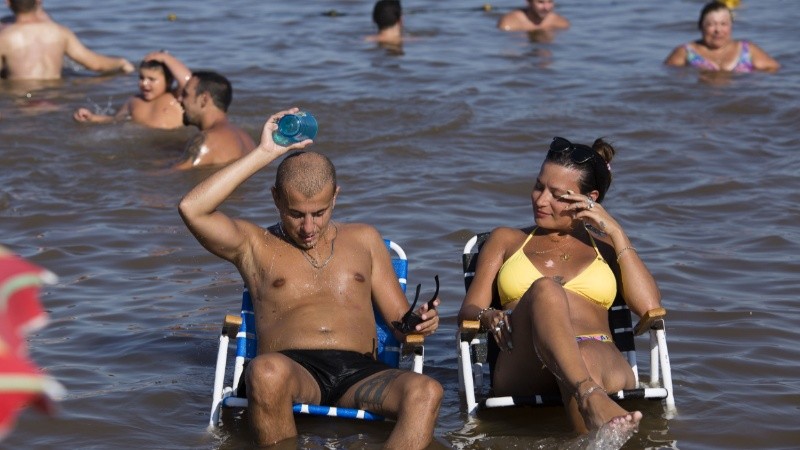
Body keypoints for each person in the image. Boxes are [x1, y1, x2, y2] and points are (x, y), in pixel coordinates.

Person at [178, 108, 443, 448]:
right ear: (276, 199)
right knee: (265, 373)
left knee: (427, 391)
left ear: (336, 197)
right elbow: (192, 208)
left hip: (359, 373)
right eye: (295, 214)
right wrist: (264, 153)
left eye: (319, 213)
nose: (308, 228)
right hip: (291, 369)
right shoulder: (254, 244)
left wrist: (418, 322)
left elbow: (400, 325)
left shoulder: (365, 239)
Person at [458, 137, 663, 444]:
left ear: (590, 199)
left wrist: (617, 233)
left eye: (557, 195)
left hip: (597, 351)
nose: (540, 200)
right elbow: (468, 311)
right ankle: (588, 396)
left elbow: (649, 308)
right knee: (545, 290)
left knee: (581, 357)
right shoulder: (506, 240)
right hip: (526, 361)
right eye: (539, 186)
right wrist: (488, 316)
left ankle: (588, 407)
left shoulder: (605, 246)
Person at [0, 0, 133, 80]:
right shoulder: (60, 32)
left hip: (23, 97)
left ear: (8, 2)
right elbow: (95, 64)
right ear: (39, 1)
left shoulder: (5, 38)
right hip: (53, 96)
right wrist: (120, 63)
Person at [73, 51, 191, 129]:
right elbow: (116, 119)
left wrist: (166, 58)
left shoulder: (176, 97)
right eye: (141, 78)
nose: (144, 83)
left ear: (169, 81)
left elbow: (187, 81)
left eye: (151, 79)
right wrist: (92, 118)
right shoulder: (134, 101)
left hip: (167, 146)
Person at [664, 1, 779, 73]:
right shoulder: (685, 52)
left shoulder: (747, 50)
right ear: (700, 26)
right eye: (711, 24)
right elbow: (667, 81)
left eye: (723, 24)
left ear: (731, 26)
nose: (718, 30)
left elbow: (775, 71)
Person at [173, 71, 255, 169]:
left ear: (204, 99)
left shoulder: (207, 140)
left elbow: (173, 174)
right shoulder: (246, 138)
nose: (179, 99)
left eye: (185, 94)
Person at [497, 0, 570, 32]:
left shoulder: (561, 23)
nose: (546, 7)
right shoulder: (509, 24)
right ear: (528, 2)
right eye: (540, 2)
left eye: (550, 2)